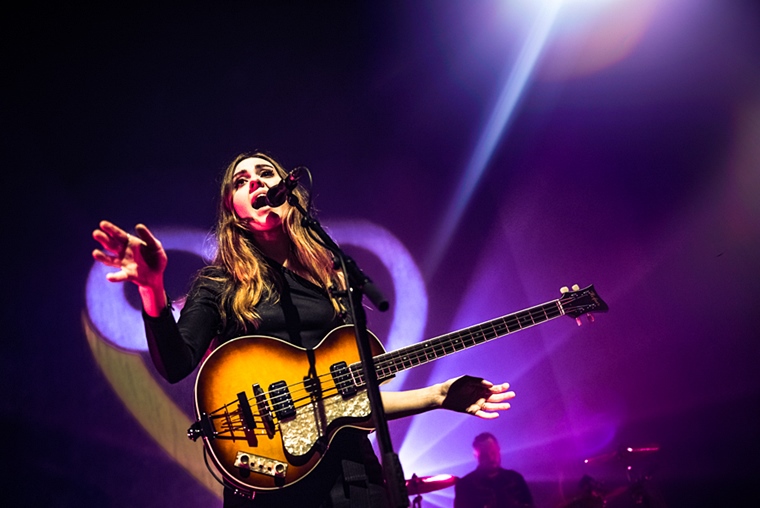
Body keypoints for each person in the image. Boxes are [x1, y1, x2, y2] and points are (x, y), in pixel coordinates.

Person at [92, 152, 516, 508]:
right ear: (232, 208)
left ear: (289, 192)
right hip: (269, 478)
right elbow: (175, 363)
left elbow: (352, 403)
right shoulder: (219, 284)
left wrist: (439, 396)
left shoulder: (332, 281)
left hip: (353, 477)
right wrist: (150, 287)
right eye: (242, 180)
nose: (257, 181)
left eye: (266, 173)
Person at [454, 432, 534, 508]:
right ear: (475, 456)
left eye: (493, 452)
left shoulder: (516, 479)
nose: (490, 458)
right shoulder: (465, 485)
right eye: (484, 455)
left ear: (498, 450)